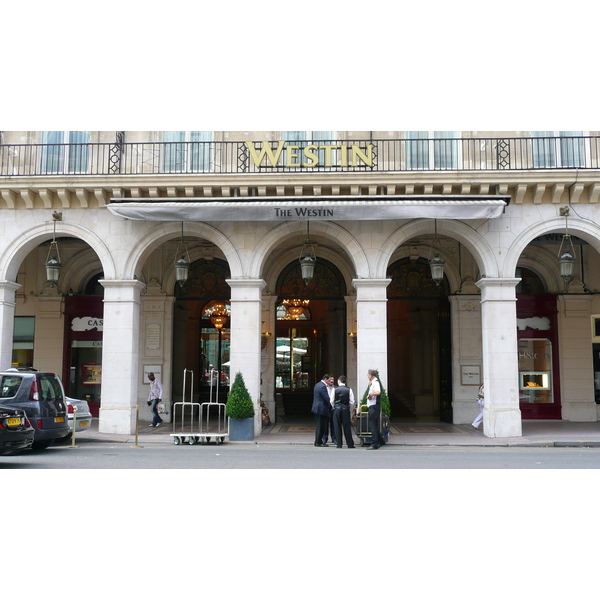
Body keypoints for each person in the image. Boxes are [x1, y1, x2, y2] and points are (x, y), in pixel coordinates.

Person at [331, 375, 355, 448]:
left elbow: (331, 400)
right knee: (347, 427)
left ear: (339, 381)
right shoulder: (349, 389)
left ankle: (339, 444)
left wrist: (334, 407)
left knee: (337, 426)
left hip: (337, 409)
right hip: (345, 409)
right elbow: (352, 401)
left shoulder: (335, 389)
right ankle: (350, 444)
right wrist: (348, 408)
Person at [312, 374, 334, 447]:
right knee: (321, 426)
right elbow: (327, 398)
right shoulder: (323, 387)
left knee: (319, 425)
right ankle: (318, 441)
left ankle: (318, 441)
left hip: (317, 408)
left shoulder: (317, 385)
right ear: (325, 379)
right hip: (321, 409)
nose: (329, 382)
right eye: (328, 380)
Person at [366, 369, 386, 449]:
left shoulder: (375, 382)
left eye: (368, 375)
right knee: (375, 425)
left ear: (371, 375)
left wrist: (370, 394)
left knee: (373, 425)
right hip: (373, 406)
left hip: (374, 406)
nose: (367, 376)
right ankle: (380, 441)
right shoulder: (373, 382)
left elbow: (378, 392)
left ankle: (375, 443)